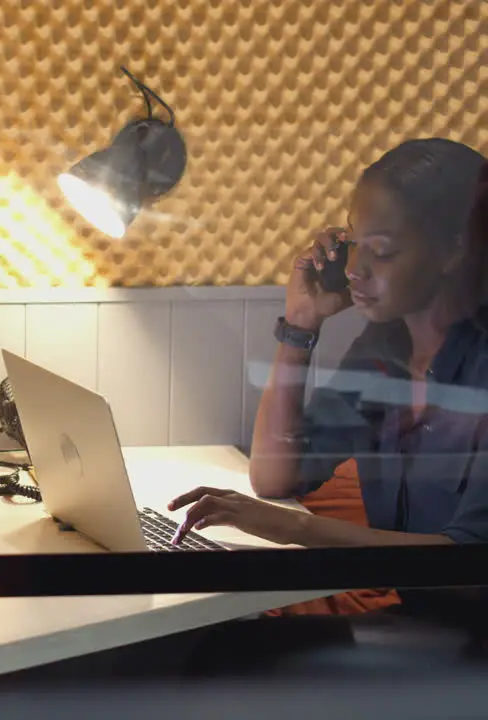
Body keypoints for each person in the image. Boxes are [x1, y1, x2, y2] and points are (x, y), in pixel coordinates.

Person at [169, 138, 488, 676]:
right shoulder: (384, 350)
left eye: (381, 251)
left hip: (471, 644)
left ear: (455, 250)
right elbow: (276, 476)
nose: (357, 269)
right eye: (354, 244)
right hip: (425, 623)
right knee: (222, 653)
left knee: (228, 663)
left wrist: (293, 530)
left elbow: (470, 569)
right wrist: (302, 323)